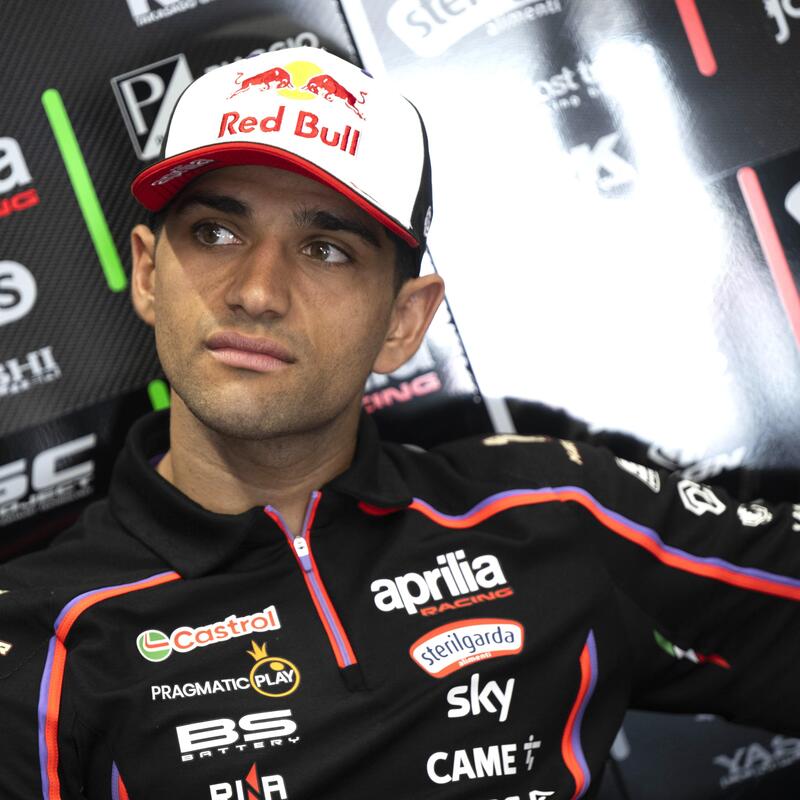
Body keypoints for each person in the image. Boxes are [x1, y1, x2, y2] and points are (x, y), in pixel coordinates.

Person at [1, 46, 798, 800]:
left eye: (326, 249)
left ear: (403, 321)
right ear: (148, 273)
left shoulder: (555, 513)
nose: (257, 291)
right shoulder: (43, 641)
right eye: (216, 232)